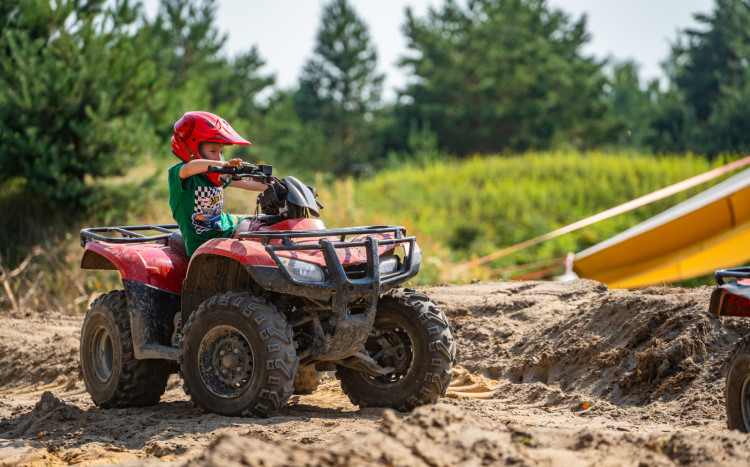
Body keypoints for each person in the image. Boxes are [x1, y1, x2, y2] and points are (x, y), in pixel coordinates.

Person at [168, 111, 266, 257]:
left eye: (220, 152)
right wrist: (220, 164)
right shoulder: (180, 175)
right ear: (191, 149)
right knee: (254, 235)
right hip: (204, 245)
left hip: (227, 227)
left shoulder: (215, 175)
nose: (218, 156)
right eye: (213, 151)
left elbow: (249, 183)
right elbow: (190, 168)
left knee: (268, 225)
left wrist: (281, 186)